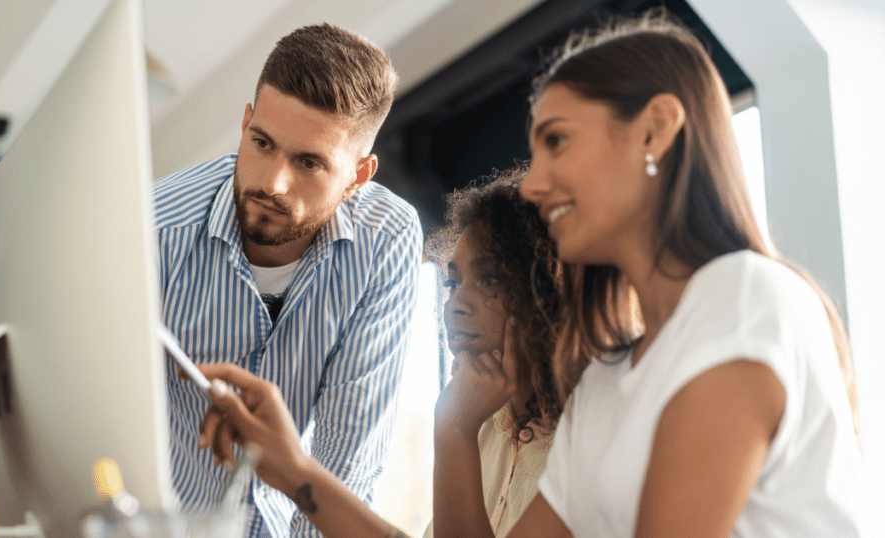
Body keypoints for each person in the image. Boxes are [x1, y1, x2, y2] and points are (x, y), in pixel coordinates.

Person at [461, 11, 867, 537]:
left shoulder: (745, 298)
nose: (534, 184)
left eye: (556, 141)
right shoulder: (605, 385)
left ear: (654, 130)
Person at [188, 168, 566, 538]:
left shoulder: (582, 437)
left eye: (490, 278)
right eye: (453, 281)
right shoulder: (487, 429)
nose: (455, 304)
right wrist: (293, 468)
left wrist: (453, 430)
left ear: (549, 291)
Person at [152, 23, 422, 538]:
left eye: (309, 163)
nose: (271, 182)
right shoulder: (155, 229)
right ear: (247, 122)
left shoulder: (385, 240)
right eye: (262, 143)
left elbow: (351, 458)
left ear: (358, 176)